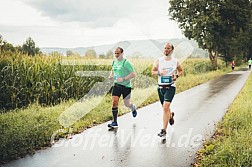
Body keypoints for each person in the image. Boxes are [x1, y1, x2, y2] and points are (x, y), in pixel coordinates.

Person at [152, 43, 183, 138]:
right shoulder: (159, 60)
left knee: (165, 107)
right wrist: (158, 72)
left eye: (168, 48)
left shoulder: (175, 61)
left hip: (171, 87)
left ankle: (163, 130)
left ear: (172, 50)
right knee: (165, 108)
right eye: (165, 48)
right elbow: (152, 71)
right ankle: (170, 116)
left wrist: (176, 76)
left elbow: (181, 71)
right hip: (160, 88)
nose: (166, 49)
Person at [108, 47, 137, 128]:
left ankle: (132, 107)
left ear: (122, 53)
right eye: (115, 53)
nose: (116, 55)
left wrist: (123, 79)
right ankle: (114, 122)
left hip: (126, 86)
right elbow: (113, 71)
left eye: (118, 53)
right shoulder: (114, 62)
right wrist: (111, 76)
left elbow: (133, 74)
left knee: (127, 104)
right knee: (114, 102)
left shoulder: (126, 62)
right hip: (117, 85)